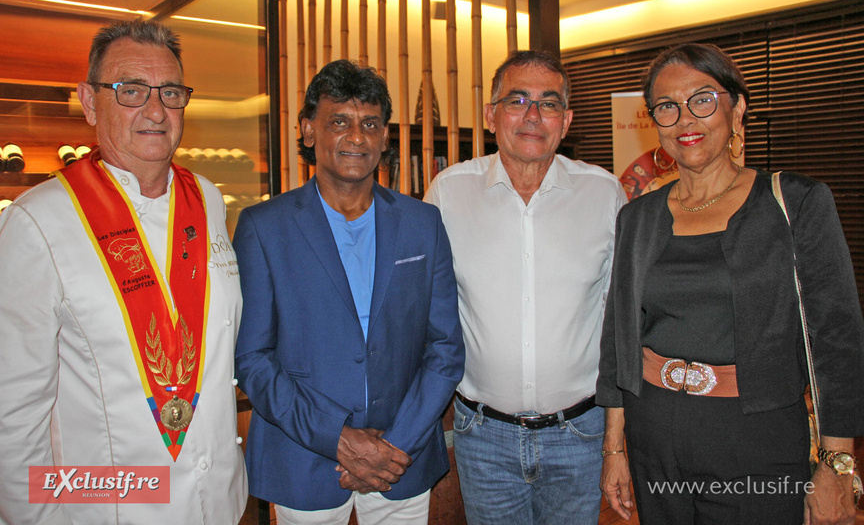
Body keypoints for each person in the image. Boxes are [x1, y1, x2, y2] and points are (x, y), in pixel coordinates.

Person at [597, 42, 864, 525]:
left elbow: (837, 342)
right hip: (654, 431)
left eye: (702, 99)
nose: (685, 120)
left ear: (737, 107)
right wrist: (614, 446)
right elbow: (620, 335)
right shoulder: (637, 217)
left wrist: (837, 465)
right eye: (667, 108)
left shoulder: (795, 203)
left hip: (756, 438)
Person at [0, 20, 247, 524]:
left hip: (219, 500)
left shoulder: (208, 199)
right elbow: (12, 414)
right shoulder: (36, 220)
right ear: (89, 102)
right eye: (130, 90)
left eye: (170, 92)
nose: (155, 110)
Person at [233, 59, 464, 524]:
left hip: (403, 458)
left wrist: (394, 446)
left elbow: (445, 349)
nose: (356, 137)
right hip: (303, 457)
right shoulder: (263, 228)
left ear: (383, 137)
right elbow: (254, 359)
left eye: (370, 124)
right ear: (308, 131)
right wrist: (340, 439)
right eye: (339, 121)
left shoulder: (423, 224)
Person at [424, 50, 627, 524]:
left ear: (566, 120)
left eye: (548, 103)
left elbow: (622, 319)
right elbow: (426, 311)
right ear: (491, 114)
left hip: (581, 432)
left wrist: (617, 439)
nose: (533, 116)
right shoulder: (448, 194)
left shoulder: (604, 194)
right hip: (482, 434)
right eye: (517, 100)